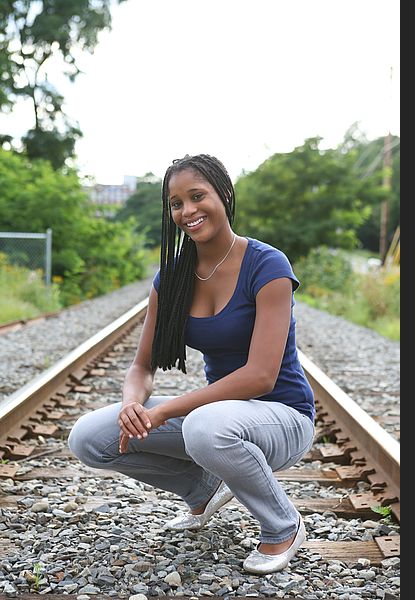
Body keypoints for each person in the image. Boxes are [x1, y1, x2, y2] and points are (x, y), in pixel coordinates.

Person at [68, 154, 315, 575]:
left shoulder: (267, 265)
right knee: (89, 437)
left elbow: (260, 376)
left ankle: (283, 526)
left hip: (283, 417)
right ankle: (200, 488)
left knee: (204, 426)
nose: (187, 211)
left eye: (197, 196)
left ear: (225, 194)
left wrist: (164, 409)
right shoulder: (173, 277)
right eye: (176, 203)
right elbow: (141, 367)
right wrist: (133, 404)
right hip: (220, 419)